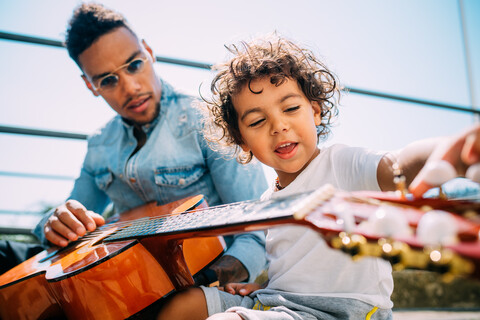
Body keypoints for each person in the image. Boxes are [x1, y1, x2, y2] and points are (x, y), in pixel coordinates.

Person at [156, 34, 480, 320]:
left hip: (340, 311)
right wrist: (265, 286)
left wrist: (452, 149)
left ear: (315, 111)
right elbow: (298, 267)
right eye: (257, 122)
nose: (278, 125)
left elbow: (396, 164)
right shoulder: (267, 202)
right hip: (278, 303)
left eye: (290, 108)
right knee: (186, 304)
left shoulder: (340, 163)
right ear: (243, 141)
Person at [0, 2, 269, 289]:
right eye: (108, 79)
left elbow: (258, 232)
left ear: (149, 52)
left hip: (194, 284)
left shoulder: (208, 119)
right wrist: (54, 223)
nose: (130, 87)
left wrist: (199, 282)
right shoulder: (99, 145)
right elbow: (70, 221)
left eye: (134, 64)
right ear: (90, 85)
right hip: (118, 280)